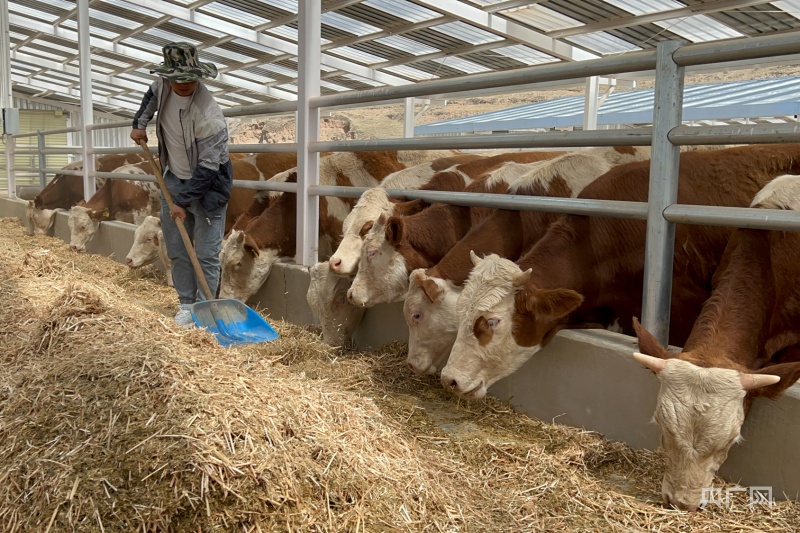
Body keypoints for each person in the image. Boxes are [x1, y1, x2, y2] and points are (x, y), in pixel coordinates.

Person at [130, 42, 232, 328]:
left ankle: (206, 309)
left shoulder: (210, 116)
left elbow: (209, 168)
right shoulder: (161, 86)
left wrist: (182, 202)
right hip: (172, 178)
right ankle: (187, 305)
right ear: (167, 77)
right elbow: (149, 98)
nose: (184, 84)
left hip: (209, 189)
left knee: (206, 254)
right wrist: (140, 123)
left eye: (190, 79)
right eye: (177, 78)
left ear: (199, 77)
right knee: (177, 248)